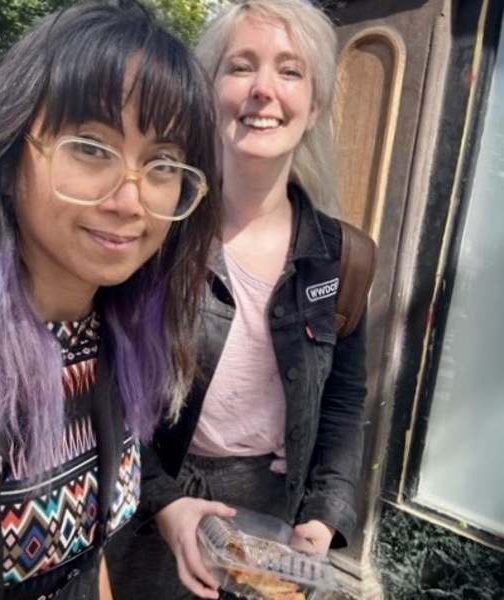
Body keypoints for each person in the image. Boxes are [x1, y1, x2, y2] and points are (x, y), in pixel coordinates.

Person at [106, 0, 372, 598]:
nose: (262, 90)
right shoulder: (153, 228)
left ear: (316, 104)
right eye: (240, 66)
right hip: (154, 506)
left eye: (290, 70)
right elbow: (105, 378)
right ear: (208, 90)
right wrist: (164, 502)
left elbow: (344, 402)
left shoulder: (344, 257)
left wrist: (326, 513)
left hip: (270, 515)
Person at [0, 1, 233, 598]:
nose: (131, 199)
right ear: (14, 148)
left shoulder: (117, 341)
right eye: (91, 147)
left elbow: (87, 556)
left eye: (164, 162)